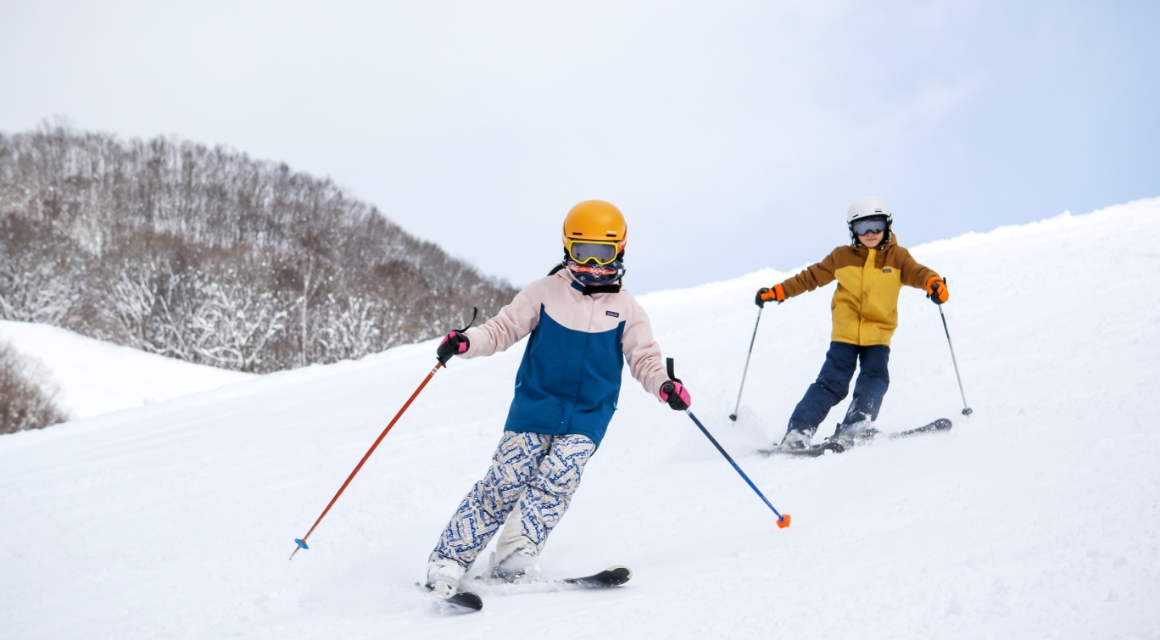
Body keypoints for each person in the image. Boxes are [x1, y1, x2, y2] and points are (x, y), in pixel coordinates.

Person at [425, 200, 691, 597]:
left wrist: (664, 384)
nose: (592, 264)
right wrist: (467, 341)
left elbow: (645, 358)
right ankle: (450, 558)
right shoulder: (544, 292)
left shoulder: (626, 309)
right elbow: (501, 329)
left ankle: (515, 555)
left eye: (603, 253)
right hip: (535, 405)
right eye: (582, 253)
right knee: (504, 482)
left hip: (588, 415)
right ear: (568, 249)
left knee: (558, 479)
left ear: (620, 250)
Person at [755, 196, 949, 450]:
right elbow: (810, 277)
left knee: (875, 378)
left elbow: (919, 273)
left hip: (878, 335)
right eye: (862, 228)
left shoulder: (898, 258)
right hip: (845, 335)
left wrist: (934, 283)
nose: (870, 233)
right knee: (831, 383)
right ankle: (798, 430)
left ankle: (856, 424)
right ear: (852, 230)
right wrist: (780, 291)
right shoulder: (842, 257)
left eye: (876, 226)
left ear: (887, 226)